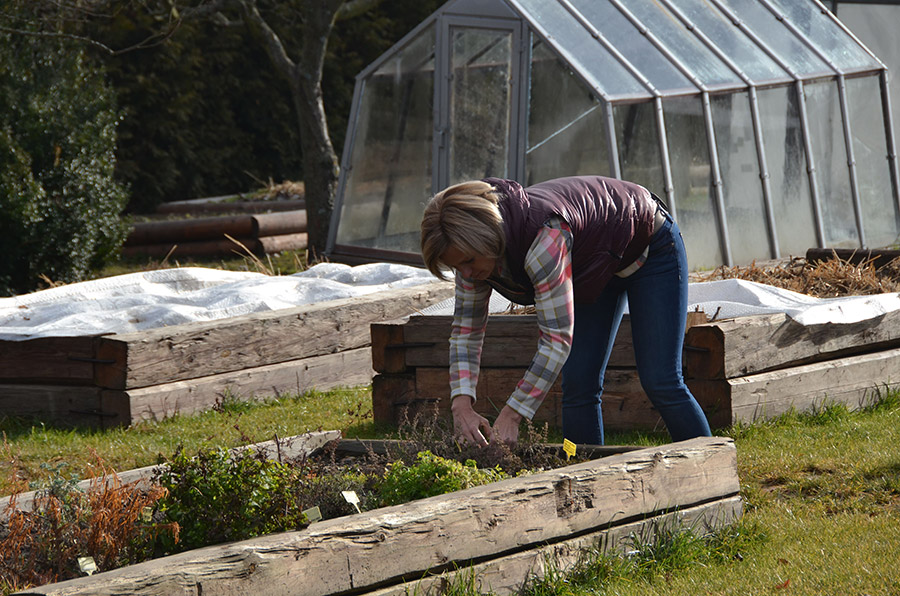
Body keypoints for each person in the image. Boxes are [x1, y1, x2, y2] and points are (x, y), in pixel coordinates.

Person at [420, 175, 712, 447]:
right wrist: (461, 404)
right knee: (578, 383)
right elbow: (466, 333)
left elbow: (556, 341)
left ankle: (711, 472)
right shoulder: (470, 261)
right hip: (591, 267)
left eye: (469, 261)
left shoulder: (544, 239)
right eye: (457, 266)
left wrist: (512, 414)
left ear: (487, 239)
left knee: (661, 380)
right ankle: (586, 484)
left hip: (649, 247)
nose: (467, 273)